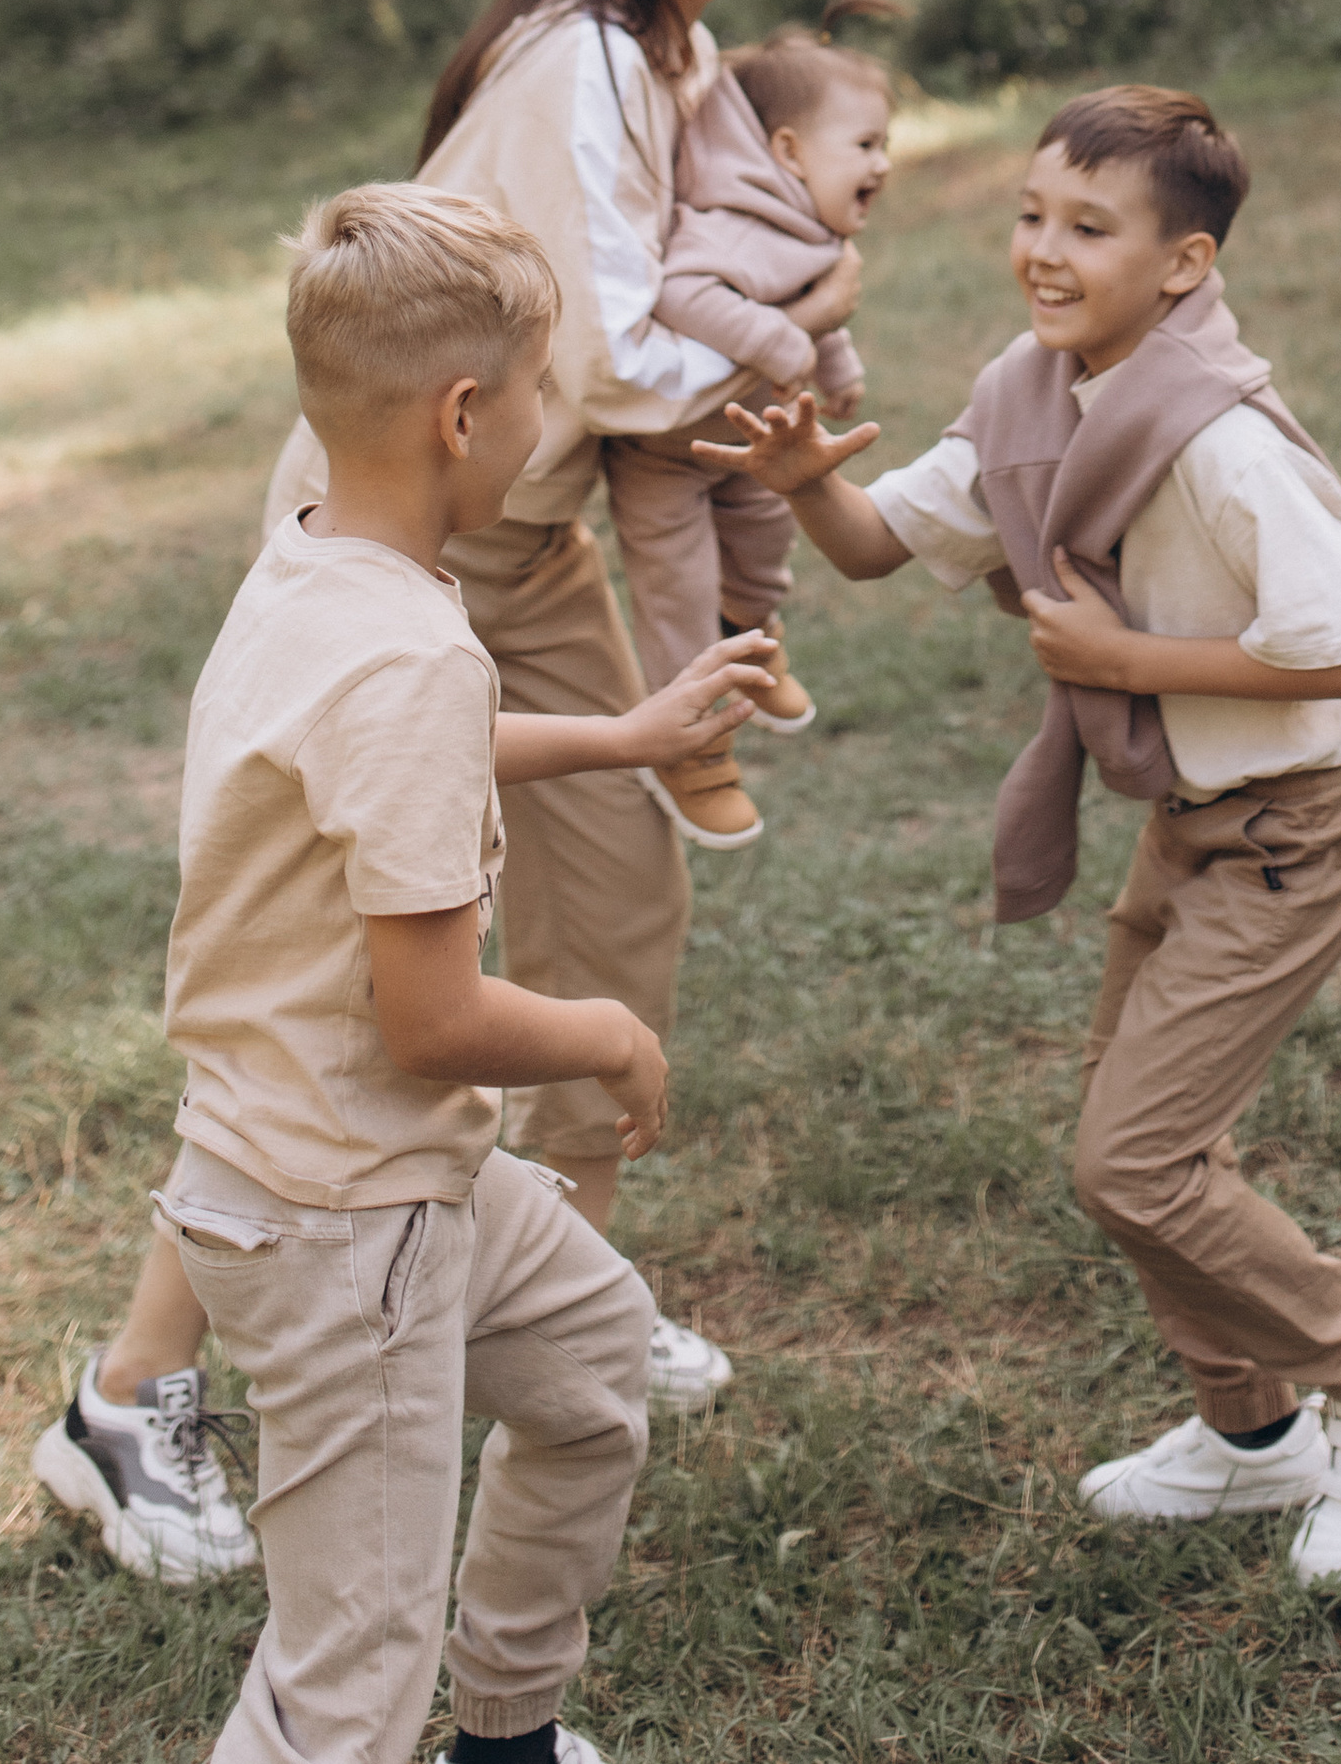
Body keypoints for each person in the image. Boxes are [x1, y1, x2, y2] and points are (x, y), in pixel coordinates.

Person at [34, 0, 853, 1584]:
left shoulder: (680, 58)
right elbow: (628, 351)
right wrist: (801, 345)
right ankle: (126, 1398)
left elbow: (697, 281)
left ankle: (563, 1288)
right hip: (411, 521)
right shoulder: (574, 62)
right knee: (338, 996)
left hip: (527, 513)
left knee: (623, 881)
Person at [698, 83, 1341, 1597]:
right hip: (1194, 814)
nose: (1044, 251)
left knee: (1135, 1159)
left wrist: (1131, 666)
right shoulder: (1035, 391)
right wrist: (805, 481)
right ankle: (1253, 1437)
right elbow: (878, 544)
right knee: (1140, 1137)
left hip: (1301, 821)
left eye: (1089, 227)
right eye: (1031, 214)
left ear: (1185, 264)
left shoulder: (1223, 440)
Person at [154, 180, 770, 1764]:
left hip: (327, 1170)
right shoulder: (411, 648)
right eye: (547, 390)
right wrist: (609, 1032)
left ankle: (503, 1739)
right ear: (464, 412)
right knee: (349, 1678)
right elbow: (432, 1021)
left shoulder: (315, 566)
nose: (556, 419)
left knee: (586, 1378)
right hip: (346, 1218)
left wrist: (623, 733)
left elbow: (391, 754)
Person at [614, 20, 894, 850]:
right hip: (664, 456)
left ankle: (749, 637)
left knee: (766, 542)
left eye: (888, 143)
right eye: (867, 142)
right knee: (678, 596)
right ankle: (692, 749)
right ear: (789, 149)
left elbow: (806, 296)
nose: (883, 162)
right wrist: (790, 345)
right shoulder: (729, 223)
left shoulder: (806, 228)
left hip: (745, 443)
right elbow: (682, 295)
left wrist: (833, 364)